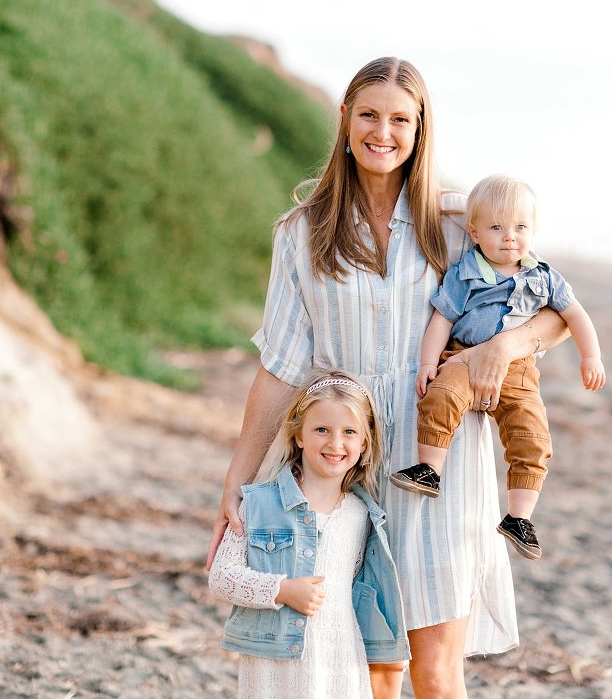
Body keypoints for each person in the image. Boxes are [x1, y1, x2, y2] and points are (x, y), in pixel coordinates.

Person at [207, 57, 571, 699]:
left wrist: (504, 345)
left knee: (433, 673)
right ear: (345, 119)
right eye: (369, 114)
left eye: (400, 118)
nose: (383, 131)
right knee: (368, 671)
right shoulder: (302, 234)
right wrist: (237, 479)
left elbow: (556, 315)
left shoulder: (459, 226)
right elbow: (281, 368)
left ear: (420, 127)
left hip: (442, 463)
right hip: (340, 467)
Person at [390, 174, 606, 561]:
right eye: (497, 227)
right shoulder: (465, 273)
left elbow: (575, 316)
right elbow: (441, 318)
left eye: (520, 227)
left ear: (533, 230)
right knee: (441, 395)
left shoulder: (543, 276)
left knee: (531, 434)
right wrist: (427, 363)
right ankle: (429, 468)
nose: (510, 236)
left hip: (519, 369)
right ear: (474, 233)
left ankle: (519, 516)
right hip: (462, 355)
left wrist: (591, 357)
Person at [209, 368, 407, 698]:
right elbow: (222, 577)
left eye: (348, 432)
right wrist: (281, 589)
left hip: (340, 661)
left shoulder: (363, 516)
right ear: (299, 434)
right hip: (275, 666)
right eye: (321, 429)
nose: (335, 443)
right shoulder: (257, 503)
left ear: (364, 441)